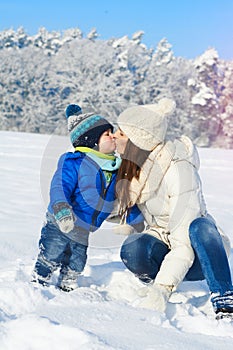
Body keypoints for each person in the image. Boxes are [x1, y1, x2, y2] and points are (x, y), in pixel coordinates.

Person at [113, 98, 233, 319]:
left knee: (199, 227)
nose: (113, 136)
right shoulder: (137, 167)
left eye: (120, 133)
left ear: (137, 141)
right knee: (133, 249)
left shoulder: (178, 170)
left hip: (198, 251)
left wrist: (162, 290)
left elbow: (183, 244)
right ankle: (160, 277)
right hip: (165, 238)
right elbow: (118, 206)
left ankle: (224, 296)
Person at [32, 104, 143, 292]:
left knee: (77, 260)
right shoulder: (74, 162)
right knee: (52, 252)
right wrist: (61, 207)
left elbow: (123, 197)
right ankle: (39, 280)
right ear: (92, 141)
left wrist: (135, 220)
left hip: (84, 227)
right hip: (61, 220)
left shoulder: (115, 168)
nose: (113, 136)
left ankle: (67, 284)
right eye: (107, 133)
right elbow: (60, 185)